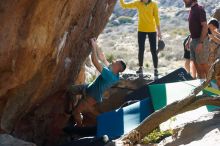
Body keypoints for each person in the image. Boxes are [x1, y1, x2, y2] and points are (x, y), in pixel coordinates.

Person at [65, 38, 126, 127]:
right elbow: (102, 57)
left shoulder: (110, 76)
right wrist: (95, 44)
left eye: (115, 62)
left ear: (118, 67)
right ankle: (72, 107)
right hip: (87, 87)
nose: (113, 61)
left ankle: (79, 129)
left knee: (76, 112)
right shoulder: (113, 70)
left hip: (92, 97)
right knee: (70, 90)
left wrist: (93, 47)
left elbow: (95, 61)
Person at [119, 0, 162, 80]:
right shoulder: (138, 3)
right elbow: (124, 6)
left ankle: (156, 70)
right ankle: (140, 68)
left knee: (153, 50)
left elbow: (156, 18)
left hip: (152, 31)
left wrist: (159, 32)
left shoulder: (154, 4)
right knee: (141, 49)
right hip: (141, 30)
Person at [183, 0, 209, 79]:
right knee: (198, 69)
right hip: (193, 41)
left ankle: (213, 88)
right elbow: (195, 27)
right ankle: (203, 88)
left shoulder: (199, 9)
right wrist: (189, 39)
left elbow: (205, 27)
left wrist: (201, 43)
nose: (183, 0)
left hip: (200, 41)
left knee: (204, 66)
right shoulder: (192, 10)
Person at [207, 18, 220, 87]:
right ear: (211, 25)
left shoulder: (210, 29)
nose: (215, 29)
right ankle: (209, 85)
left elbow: (215, 33)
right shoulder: (206, 30)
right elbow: (213, 37)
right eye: (214, 27)